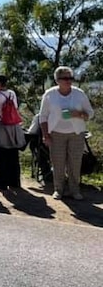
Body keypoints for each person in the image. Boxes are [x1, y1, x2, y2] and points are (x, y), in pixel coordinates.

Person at [39, 66, 94, 200]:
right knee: (58, 163)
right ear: (57, 80)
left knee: (75, 163)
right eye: (65, 78)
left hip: (76, 133)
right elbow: (43, 116)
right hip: (56, 133)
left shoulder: (79, 93)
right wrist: (45, 135)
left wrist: (79, 114)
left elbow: (90, 114)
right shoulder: (50, 94)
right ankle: (59, 190)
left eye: (70, 78)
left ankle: (74, 190)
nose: (69, 80)